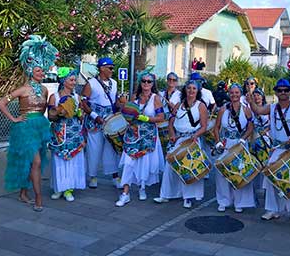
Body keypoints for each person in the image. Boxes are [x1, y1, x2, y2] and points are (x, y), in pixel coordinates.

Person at [0, 35, 58, 212]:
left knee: (30, 162)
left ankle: (23, 193)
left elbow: (46, 108)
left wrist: (54, 104)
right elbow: (1, 103)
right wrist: (14, 119)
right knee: (37, 162)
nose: (42, 73)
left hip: (40, 127)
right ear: (31, 71)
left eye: (42, 71)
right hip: (25, 129)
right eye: (38, 71)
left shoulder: (46, 89)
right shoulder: (23, 89)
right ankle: (38, 198)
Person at [248, 79, 290, 222]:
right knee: (271, 180)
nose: (283, 93)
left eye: (285, 90)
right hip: (277, 148)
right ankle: (272, 209)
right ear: (275, 92)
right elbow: (257, 110)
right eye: (280, 90)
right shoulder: (272, 107)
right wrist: (251, 101)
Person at [153, 80, 209, 208]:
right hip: (178, 139)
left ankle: (188, 197)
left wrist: (195, 135)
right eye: (189, 88)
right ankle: (166, 194)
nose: (191, 91)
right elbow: (171, 122)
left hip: (192, 140)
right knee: (170, 167)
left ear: (198, 91)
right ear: (185, 90)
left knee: (189, 168)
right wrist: (172, 134)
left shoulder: (201, 106)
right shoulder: (178, 105)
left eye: (194, 89)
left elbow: (204, 126)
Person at [116, 70, 165, 206]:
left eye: (149, 81)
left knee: (144, 162)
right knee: (128, 162)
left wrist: (146, 118)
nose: (146, 84)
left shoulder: (156, 98)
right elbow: (128, 114)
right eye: (144, 81)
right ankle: (125, 193)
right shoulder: (134, 97)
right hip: (133, 135)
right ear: (140, 82)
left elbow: (161, 118)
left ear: (152, 83)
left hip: (148, 136)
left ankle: (141, 187)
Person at [213, 83, 255, 213]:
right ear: (229, 94)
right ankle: (223, 201)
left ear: (240, 94)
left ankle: (239, 202)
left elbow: (251, 127)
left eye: (237, 93)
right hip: (226, 143)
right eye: (232, 93)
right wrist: (218, 141)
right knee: (222, 173)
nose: (234, 95)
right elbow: (216, 127)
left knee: (239, 172)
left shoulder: (246, 109)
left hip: (240, 144)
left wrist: (244, 138)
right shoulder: (223, 109)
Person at [81, 57, 122, 189]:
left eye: (112, 68)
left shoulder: (114, 83)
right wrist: (94, 116)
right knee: (94, 149)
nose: (112, 70)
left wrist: (121, 104)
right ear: (102, 68)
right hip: (95, 120)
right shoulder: (91, 83)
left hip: (110, 119)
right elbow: (83, 102)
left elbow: (114, 102)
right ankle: (92, 176)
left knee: (112, 149)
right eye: (110, 68)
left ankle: (115, 176)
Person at [48, 67, 86, 202]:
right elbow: (50, 117)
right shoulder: (55, 97)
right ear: (64, 81)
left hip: (74, 134)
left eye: (75, 79)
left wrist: (78, 113)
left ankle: (69, 189)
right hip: (60, 134)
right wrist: (60, 112)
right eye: (71, 79)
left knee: (73, 161)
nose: (74, 82)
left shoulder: (77, 97)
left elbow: (81, 116)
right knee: (59, 161)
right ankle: (59, 188)